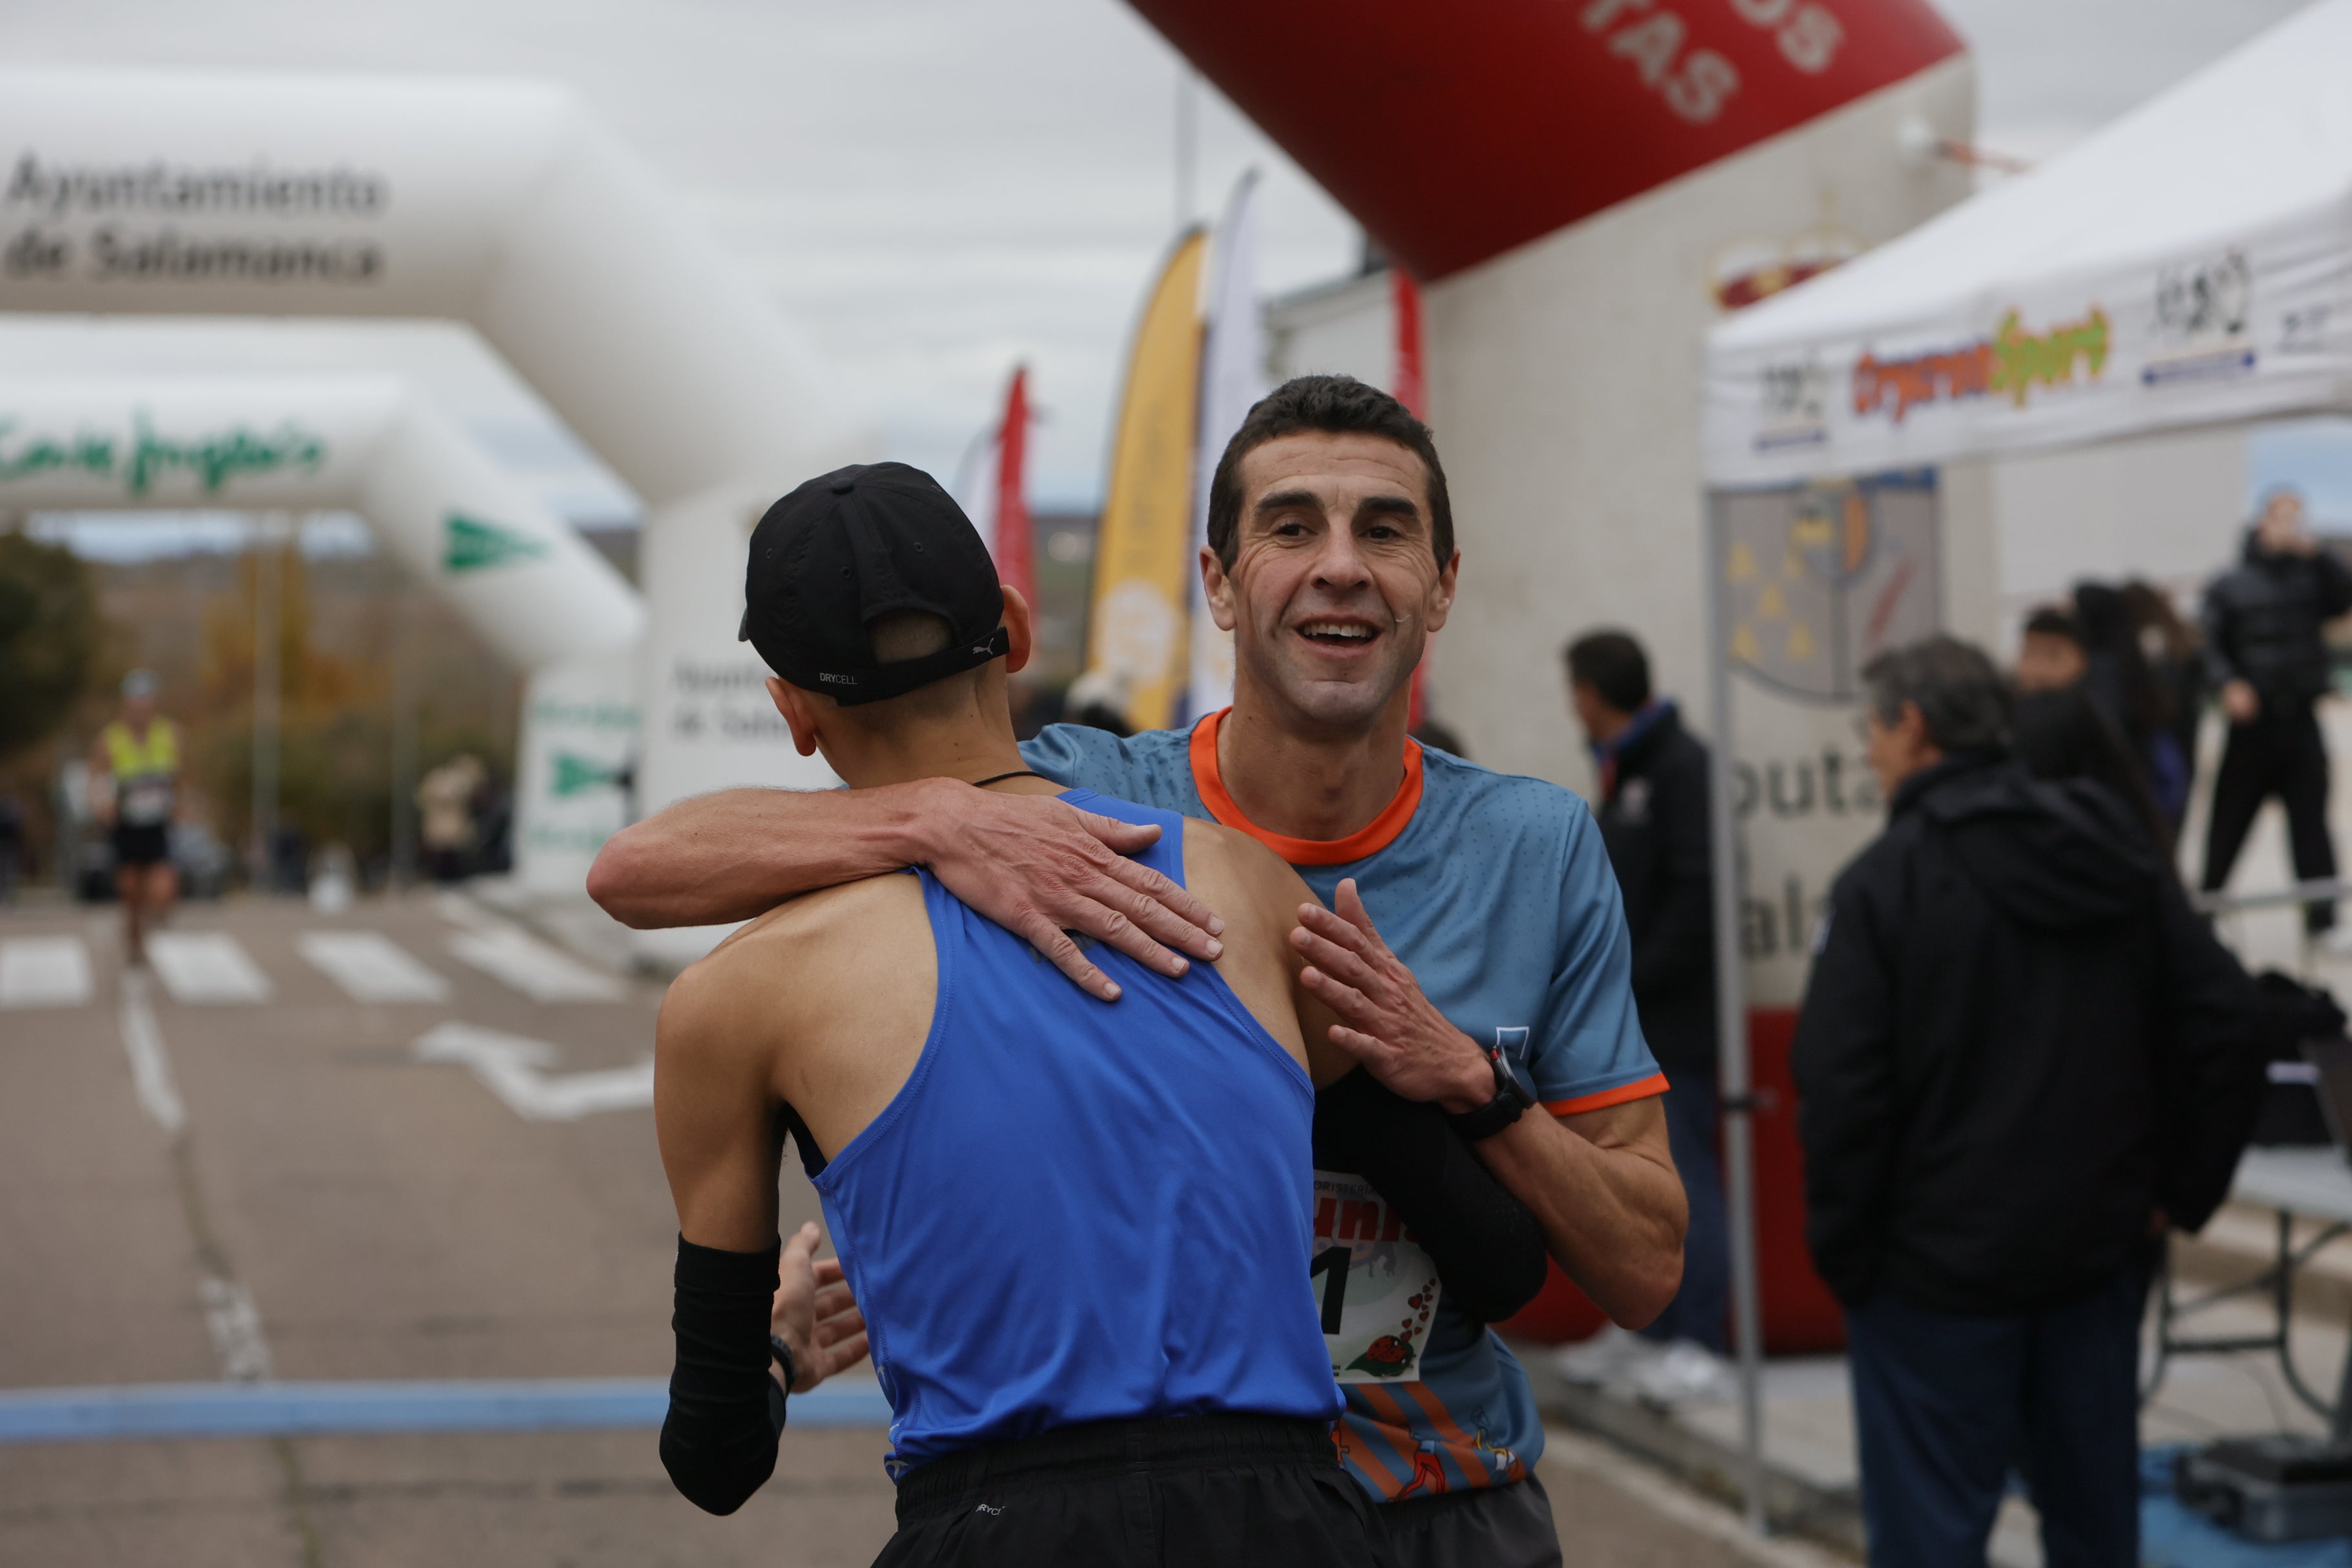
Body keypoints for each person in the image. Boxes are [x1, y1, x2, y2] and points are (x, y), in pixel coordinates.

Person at [594, 375, 1686, 1565]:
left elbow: (712, 1459)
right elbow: (1500, 1260)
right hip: (1285, 1515)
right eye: (1288, 527)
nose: (1337, 566)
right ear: (1013, 633)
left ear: (792, 713)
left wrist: (1474, 1082)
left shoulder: (738, 995)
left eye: (1380, 528)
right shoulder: (1228, 877)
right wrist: (942, 821)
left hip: (1064, 1516)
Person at [1794, 636, 2260, 1568]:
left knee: (1932, 1539)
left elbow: (1841, 1092)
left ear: (1912, 727)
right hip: (2093, 1258)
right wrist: (2178, 1190)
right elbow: (2227, 1019)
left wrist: (1849, 1259)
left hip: (1934, 1282)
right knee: (2095, 1532)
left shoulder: (1886, 885)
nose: (1870, 753)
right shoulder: (2110, 847)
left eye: (1871, 731)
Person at [1556, 630, 1727, 1403]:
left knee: (1688, 1176)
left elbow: (1699, 899)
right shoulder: (1625, 766)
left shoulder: (1681, 767)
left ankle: (1701, 1340)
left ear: (1592, 692)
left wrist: (1632, 979)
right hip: (1628, 1021)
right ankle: (1648, 1330)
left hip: (1676, 1022)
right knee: (1632, 1175)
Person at [2200, 487, 2352, 935]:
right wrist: (2228, 684)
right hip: (2252, 724)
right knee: (2227, 825)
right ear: (2262, 521)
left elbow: (2344, 597)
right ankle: (2205, 913)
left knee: (2311, 824)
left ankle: (2323, 920)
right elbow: (2209, 643)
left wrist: (2319, 554)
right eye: (2283, 517)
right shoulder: (2230, 582)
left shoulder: (2310, 575)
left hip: (2300, 717)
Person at [91, 671, 181, 965]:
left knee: (161, 890)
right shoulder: (110, 739)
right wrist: (103, 806)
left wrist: (179, 807)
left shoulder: (170, 734)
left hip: (156, 825)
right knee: (130, 891)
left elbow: (179, 777)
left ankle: (154, 916)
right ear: (126, 704)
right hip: (126, 827)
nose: (141, 708)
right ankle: (134, 940)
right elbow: (95, 779)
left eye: (146, 701)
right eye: (135, 701)